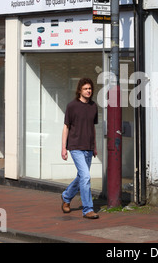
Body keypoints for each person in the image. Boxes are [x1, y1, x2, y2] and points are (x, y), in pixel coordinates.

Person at [60, 78, 99, 219]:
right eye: (85, 89)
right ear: (79, 90)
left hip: (88, 147)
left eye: (90, 88)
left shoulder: (94, 106)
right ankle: (88, 209)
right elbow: (66, 127)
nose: (88, 91)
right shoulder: (72, 106)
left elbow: (92, 128)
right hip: (75, 146)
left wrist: (94, 146)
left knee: (82, 176)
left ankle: (66, 196)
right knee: (86, 176)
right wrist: (63, 148)